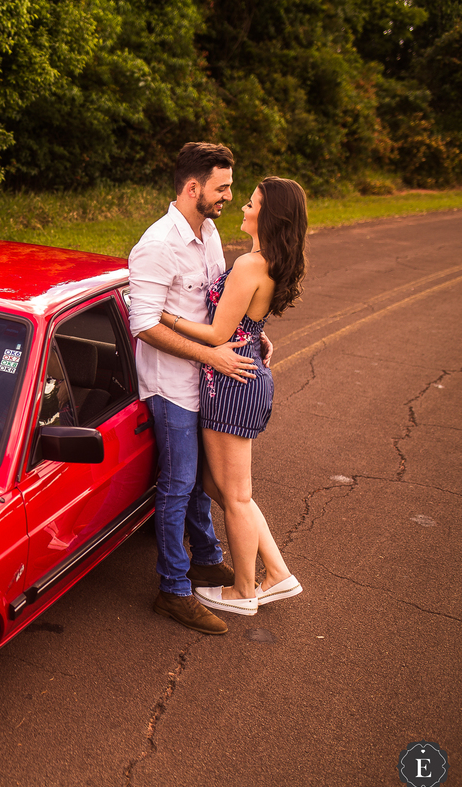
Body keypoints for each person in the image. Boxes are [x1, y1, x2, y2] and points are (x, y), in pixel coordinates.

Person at [128, 142, 270, 636]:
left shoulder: (207, 231)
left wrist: (250, 334)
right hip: (171, 386)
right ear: (194, 188)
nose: (230, 195)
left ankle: (207, 559)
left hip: (208, 380)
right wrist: (211, 354)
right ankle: (173, 588)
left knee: (201, 483)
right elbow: (144, 323)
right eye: (223, 187)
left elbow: (216, 301)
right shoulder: (156, 245)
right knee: (178, 484)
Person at [158, 176, 307, 615]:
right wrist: (256, 336)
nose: (242, 207)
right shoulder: (265, 261)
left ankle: (245, 592)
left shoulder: (250, 264)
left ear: (269, 214)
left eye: (251, 203)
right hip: (240, 374)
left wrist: (163, 317)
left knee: (235, 495)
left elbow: (219, 333)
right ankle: (277, 572)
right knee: (215, 485)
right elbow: (245, 323)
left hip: (231, 381)